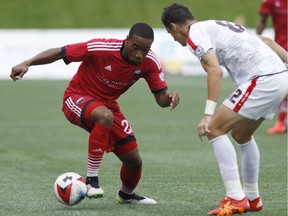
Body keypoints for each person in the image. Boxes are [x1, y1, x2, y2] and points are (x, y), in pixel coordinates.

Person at [10, 22, 179, 204]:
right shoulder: (101, 48)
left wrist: (168, 98)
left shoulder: (150, 62)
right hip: (76, 97)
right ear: (127, 40)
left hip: (108, 106)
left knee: (133, 160)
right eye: (135, 47)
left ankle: (127, 195)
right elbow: (60, 52)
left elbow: (160, 98)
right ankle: (92, 181)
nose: (139, 54)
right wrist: (27, 63)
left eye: (145, 49)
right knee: (105, 116)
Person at [161, 3, 287, 216]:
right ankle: (252, 197)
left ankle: (236, 198)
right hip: (280, 77)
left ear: (174, 27)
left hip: (263, 79)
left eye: (172, 35)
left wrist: (207, 115)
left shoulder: (194, 34)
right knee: (241, 134)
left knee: (214, 129)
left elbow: (215, 70)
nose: (176, 41)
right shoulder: (217, 26)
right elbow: (266, 41)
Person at [256, 0, 287, 134]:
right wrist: (255, 40)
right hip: (280, 48)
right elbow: (263, 20)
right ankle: (281, 122)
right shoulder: (270, 1)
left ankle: (281, 122)